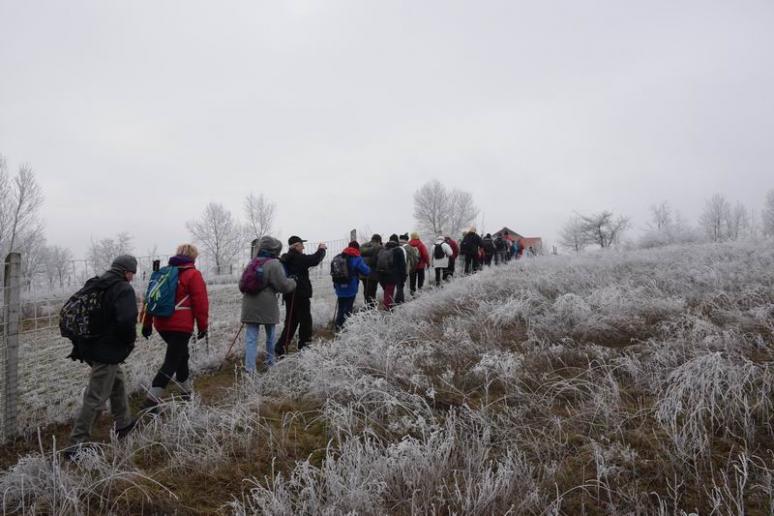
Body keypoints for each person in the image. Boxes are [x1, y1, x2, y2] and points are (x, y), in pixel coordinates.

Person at [68, 255, 139, 452]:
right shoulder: (123, 288)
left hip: (90, 345)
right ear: (126, 271)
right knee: (96, 397)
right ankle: (77, 444)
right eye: (132, 272)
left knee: (117, 381)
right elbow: (127, 321)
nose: (132, 277)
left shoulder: (97, 283)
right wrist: (129, 342)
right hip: (107, 350)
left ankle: (123, 424)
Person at [141, 244, 209, 410]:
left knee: (182, 355)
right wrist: (203, 326)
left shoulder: (162, 274)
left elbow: (151, 298)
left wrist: (147, 322)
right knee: (171, 361)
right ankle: (150, 401)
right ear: (193, 258)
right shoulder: (193, 274)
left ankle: (186, 393)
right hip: (181, 325)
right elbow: (200, 303)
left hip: (161, 323)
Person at [240, 236, 296, 371]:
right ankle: (271, 363)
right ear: (274, 249)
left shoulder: (252, 263)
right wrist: (293, 282)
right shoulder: (274, 264)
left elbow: (241, 285)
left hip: (249, 304)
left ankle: (250, 369)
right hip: (268, 305)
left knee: (251, 338)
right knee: (270, 336)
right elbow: (283, 286)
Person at [276, 235, 327, 357]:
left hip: (289, 294)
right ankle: (305, 347)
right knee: (305, 321)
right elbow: (314, 259)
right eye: (301, 245)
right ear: (295, 246)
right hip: (300, 294)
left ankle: (280, 347)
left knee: (291, 322)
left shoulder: (288, 258)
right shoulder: (296, 257)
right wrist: (321, 249)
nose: (303, 247)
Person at [333, 241, 371, 330]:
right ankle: (346, 327)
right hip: (351, 286)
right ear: (357, 248)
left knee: (341, 307)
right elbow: (365, 271)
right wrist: (369, 270)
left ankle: (338, 326)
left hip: (339, 286)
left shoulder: (338, 256)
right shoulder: (357, 257)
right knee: (348, 307)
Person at [376, 234, 406, 310]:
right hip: (392, 276)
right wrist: (403, 278)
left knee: (387, 293)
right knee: (390, 294)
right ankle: (388, 313)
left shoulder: (383, 249)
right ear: (397, 241)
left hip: (382, 275)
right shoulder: (398, 250)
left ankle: (388, 309)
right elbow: (402, 265)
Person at [359, 234, 382, 308]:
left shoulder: (363, 246)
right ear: (378, 240)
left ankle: (366, 304)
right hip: (373, 272)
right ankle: (371, 307)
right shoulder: (379, 247)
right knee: (372, 290)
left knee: (366, 289)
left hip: (363, 272)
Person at [397, 233, 417, 302]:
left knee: (399, 286)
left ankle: (398, 299)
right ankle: (407, 299)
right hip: (407, 269)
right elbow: (414, 259)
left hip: (396, 270)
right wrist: (413, 268)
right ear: (407, 240)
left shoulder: (396, 246)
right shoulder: (409, 247)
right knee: (407, 285)